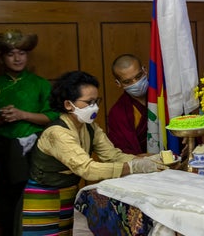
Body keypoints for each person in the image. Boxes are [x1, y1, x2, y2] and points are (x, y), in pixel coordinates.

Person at [22, 71, 166, 234]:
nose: (95, 107)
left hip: (69, 194)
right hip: (43, 199)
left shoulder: (89, 126)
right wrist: (134, 166)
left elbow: (112, 156)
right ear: (68, 105)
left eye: (96, 101)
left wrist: (149, 161)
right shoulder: (57, 133)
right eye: (89, 102)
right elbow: (87, 169)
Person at [0, 29, 59, 236]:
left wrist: (22, 115)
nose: (17, 58)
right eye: (11, 54)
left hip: (34, 151)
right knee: (5, 203)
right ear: (2, 59)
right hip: (1, 151)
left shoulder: (40, 84)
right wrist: (1, 119)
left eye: (22, 53)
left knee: (35, 199)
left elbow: (52, 116)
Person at [108, 54, 149, 154]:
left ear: (145, 70)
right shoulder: (117, 112)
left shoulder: (164, 97)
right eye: (127, 81)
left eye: (138, 76)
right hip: (141, 165)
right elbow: (120, 150)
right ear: (118, 83)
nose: (136, 83)